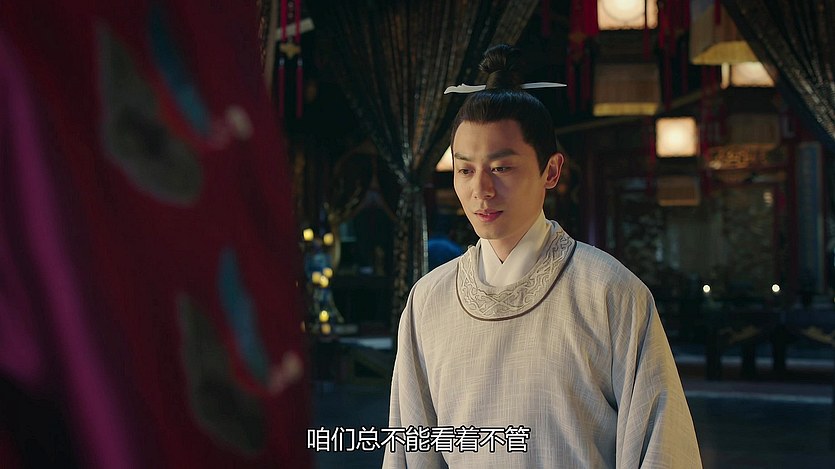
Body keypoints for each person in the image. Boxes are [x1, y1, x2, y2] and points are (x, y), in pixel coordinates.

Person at [383, 44, 701, 468]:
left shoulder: (609, 291)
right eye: (465, 170)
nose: (481, 190)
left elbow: (660, 446)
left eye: (501, 168)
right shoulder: (428, 300)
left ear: (551, 170)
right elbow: (411, 450)